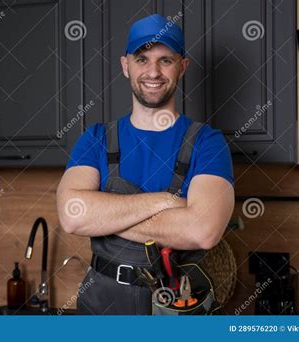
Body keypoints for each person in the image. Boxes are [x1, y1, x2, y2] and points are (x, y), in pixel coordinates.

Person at [56, 13, 235, 315]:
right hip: (101, 309)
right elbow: (73, 216)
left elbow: (203, 231)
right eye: (142, 59)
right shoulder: (96, 138)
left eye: (165, 60)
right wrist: (167, 203)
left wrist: (106, 217)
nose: (153, 71)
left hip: (177, 309)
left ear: (182, 67)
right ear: (125, 65)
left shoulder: (208, 142)